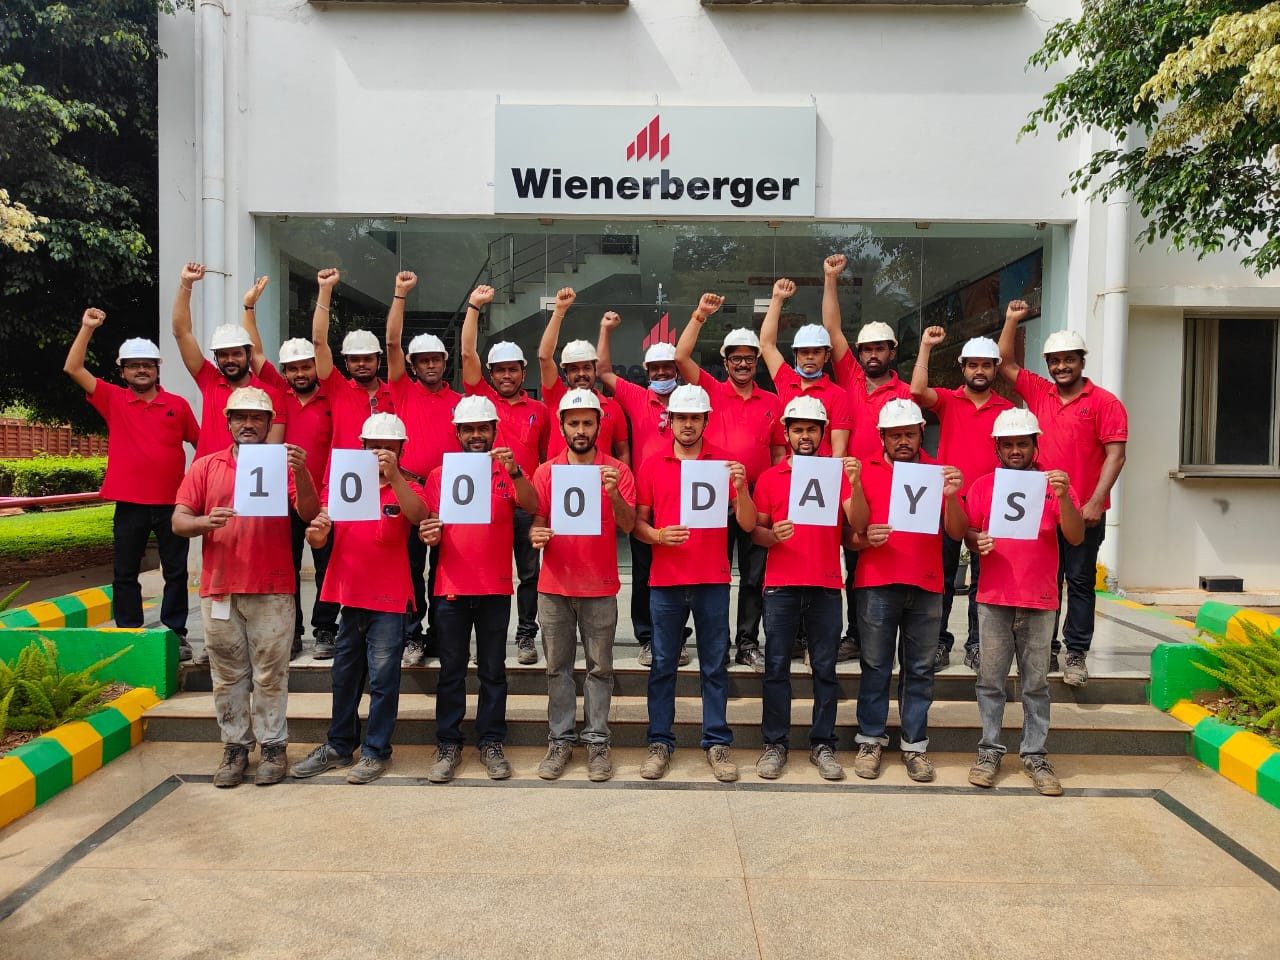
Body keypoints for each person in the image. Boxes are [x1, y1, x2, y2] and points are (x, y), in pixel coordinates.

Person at [171, 387, 319, 787]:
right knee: (227, 674)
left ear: (271, 423)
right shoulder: (205, 466)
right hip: (220, 589)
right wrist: (205, 522)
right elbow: (179, 520)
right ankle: (235, 747)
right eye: (240, 417)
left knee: (271, 673)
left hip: (272, 588)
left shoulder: (282, 465)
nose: (248, 424)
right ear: (228, 422)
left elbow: (308, 512)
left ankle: (274, 746)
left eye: (256, 418)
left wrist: (303, 471)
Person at [997, 300, 1128, 687]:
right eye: (1054, 361)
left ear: (1081, 361)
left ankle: (1075, 652)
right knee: (1045, 580)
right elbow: (1004, 361)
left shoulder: (1105, 403)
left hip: (1084, 511)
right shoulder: (1039, 391)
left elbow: (1116, 456)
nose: (1060, 367)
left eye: (1068, 360)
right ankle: (1045, 649)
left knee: (1081, 579)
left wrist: (1093, 501)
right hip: (1041, 509)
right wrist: (1011, 320)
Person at [292, 413, 427, 785]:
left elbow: (420, 516)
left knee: (383, 680)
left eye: (388, 446)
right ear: (361, 447)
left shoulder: (410, 487)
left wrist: (395, 476)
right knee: (344, 676)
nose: (379, 452)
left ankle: (375, 751)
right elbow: (319, 531)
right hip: (349, 596)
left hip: (389, 600)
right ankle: (338, 745)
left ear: (402, 449)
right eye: (372, 446)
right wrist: (316, 535)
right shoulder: (344, 482)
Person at [632, 384, 757, 783]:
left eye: (695, 417)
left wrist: (740, 489)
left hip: (712, 580)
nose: (688, 424)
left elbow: (750, 524)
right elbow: (637, 524)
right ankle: (660, 742)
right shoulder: (652, 464)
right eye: (682, 417)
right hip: (666, 581)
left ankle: (717, 741)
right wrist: (656, 537)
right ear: (670, 421)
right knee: (663, 666)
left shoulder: (725, 464)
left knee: (714, 666)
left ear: (706, 420)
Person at [63, 308, 200, 659]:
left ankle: (175, 634)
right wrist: (86, 328)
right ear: (122, 371)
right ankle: (129, 632)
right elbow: (73, 369)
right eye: (134, 365)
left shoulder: (177, 405)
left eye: (148, 364)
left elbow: (201, 445)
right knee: (125, 573)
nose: (142, 370)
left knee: (176, 572)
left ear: (157, 370)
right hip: (129, 503)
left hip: (173, 503)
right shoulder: (112, 399)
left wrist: (200, 488)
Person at [418, 395, 538, 784]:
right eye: (468, 429)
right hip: (450, 587)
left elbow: (534, 503)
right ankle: (449, 743)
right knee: (451, 670)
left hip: (495, 587)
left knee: (493, 670)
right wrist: (430, 534)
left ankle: (490, 741)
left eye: (481, 428)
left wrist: (516, 470)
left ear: (493, 431)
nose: (475, 435)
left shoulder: (507, 471)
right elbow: (431, 522)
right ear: (458, 433)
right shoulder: (440, 475)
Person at [964, 408, 1084, 796]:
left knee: (1036, 684)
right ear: (997, 447)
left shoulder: (1055, 484)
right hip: (994, 597)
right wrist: (974, 541)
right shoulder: (984, 486)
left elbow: (1076, 536)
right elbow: (968, 530)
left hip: (1040, 598)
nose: (1016, 450)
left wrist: (1065, 499)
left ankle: (1035, 754)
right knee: (990, 681)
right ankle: (989, 750)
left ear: (1035, 445)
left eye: (1022, 443)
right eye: (1008, 444)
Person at [847, 398, 967, 783]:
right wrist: (867, 540)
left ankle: (915, 746)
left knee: (919, 670)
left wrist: (950, 496)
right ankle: (870, 740)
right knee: (876, 666)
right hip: (877, 583)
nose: (903, 441)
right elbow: (851, 537)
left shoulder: (938, 472)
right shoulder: (863, 470)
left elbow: (956, 532)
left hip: (927, 585)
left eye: (909, 434)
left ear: (920, 435)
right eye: (895, 434)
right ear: (881, 435)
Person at [751, 396, 868, 781]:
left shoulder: (836, 474)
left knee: (825, 670)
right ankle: (775, 744)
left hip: (825, 585)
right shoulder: (770, 478)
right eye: (798, 429)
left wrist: (853, 482)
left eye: (812, 429)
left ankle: (823, 744)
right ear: (786, 433)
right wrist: (773, 535)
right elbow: (756, 532)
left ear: (822, 433)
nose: (805, 435)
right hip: (781, 587)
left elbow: (858, 525)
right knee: (776, 668)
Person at [528, 389, 637, 782]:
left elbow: (628, 525)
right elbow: (537, 521)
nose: (580, 429)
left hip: (600, 586)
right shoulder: (546, 471)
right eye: (573, 423)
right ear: (561, 427)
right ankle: (559, 741)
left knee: (599, 669)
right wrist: (536, 537)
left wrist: (611, 494)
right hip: (554, 586)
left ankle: (596, 742)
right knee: (557, 668)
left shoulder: (616, 472)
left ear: (598, 426)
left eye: (587, 422)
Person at [676, 294, 786, 672]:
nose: (743, 363)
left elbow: (776, 454)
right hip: (712, 494)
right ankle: (717, 641)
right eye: (735, 358)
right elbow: (680, 357)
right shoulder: (709, 391)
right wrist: (700, 315)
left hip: (755, 495)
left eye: (749, 358)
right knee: (715, 572)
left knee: (755, 575)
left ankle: (747, 642)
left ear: (757, 362)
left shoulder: (772, 400)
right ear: (725, 363)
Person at [240, 278, 340, 660]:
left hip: (324, 497)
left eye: (305, 366)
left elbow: (320, 342)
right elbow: (256, 353)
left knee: (327, 564)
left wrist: (324, 292)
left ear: (316, 366)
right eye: (293, 368)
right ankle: (294, 631)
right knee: (286, 568)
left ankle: (326, 629)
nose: (300, 373)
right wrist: (249, 308)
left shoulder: (332, 395)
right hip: (281, 496)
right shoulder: (277, 392)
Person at [821, 254, 914, 663]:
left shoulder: (906, 393)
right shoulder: (851, 378)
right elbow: (832, 329)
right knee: (853, 561)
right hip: (851, 486)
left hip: (893, 486)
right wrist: (830, 280)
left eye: (880, 348)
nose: (872, 354)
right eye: (867, 349)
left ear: (892, 352)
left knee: (891, 560)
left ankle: (896, 636)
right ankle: (855, 635)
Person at [909, 327, 1014, 671]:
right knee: (941, 576)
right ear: (962, 367)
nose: (979, 371)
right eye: (973, 365)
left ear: (996, 368)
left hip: (993, 503)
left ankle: (976, 643)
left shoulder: (1007, 409)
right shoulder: (948, 400)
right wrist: (925, 346)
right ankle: (938, 642)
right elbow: (916, 391)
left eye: (986, 364)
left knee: (983, 581)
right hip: (948, 500)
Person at [596, 311, 693, 668]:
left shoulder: (691, 402)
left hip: (684, 499)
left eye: (668, 368)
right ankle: (649, 638)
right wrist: (606, 330)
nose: (663, 374)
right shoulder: (637, 398)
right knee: (644, 571)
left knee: (681, 571)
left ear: (676, 370)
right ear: (647, 372)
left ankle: (677, 639)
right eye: (656, 369)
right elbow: (604, 370)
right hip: (646, 499)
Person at [460, 284, 549, 666]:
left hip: (525, 500)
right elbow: (466, 352)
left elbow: (545, 459)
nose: (506, 376)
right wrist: (474, 308)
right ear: (491, 374)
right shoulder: (480, 401)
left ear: (522, 371)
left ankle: (527, 635)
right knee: (481, 569)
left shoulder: (540, 410)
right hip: (486, 499)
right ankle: (480, 636)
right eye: (499, 370)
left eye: (513, 369)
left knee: (530, 574)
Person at [382, 270, 462, 667]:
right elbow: (392, 342)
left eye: (436, 359)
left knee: (447, 572)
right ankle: (412, 635)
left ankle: (443, 637)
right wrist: (400, 295)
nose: (430, 365)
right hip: (411, 489)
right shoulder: (401, 389)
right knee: (411, 567)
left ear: (445, 363)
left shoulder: (460, 401)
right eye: (423, 360)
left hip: (451, 494)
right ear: (413, 365)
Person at [170, 263, 287, 459]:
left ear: (249, 355)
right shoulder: (209, 380)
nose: (230, 360)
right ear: (216, 358)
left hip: (248, 484)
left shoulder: (270, 394)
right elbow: (182, 333)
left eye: (236, 353)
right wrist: (186, 284)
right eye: (223, 355)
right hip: (208, 482)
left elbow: (270, 454)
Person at [537, 286, 631, 464]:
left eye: (586, 367)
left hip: (601, 488)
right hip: (557, 485)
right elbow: (544, 357)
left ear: (595, 369)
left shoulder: (612, 407)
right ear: (565, 373)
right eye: (574, 369)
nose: (581, 374)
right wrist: (559, 311)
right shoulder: (556, 397)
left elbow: (623, 452)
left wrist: (621, 485)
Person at [310, 267, 396, 451]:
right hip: (343, 475)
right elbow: (318, 342)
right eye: (355, 359)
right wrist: (325, 290)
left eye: (367, 358)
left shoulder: (395, 394)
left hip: (383, 476)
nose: (362, 364)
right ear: (347, 364)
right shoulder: (337, 388)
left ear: (379, 361)